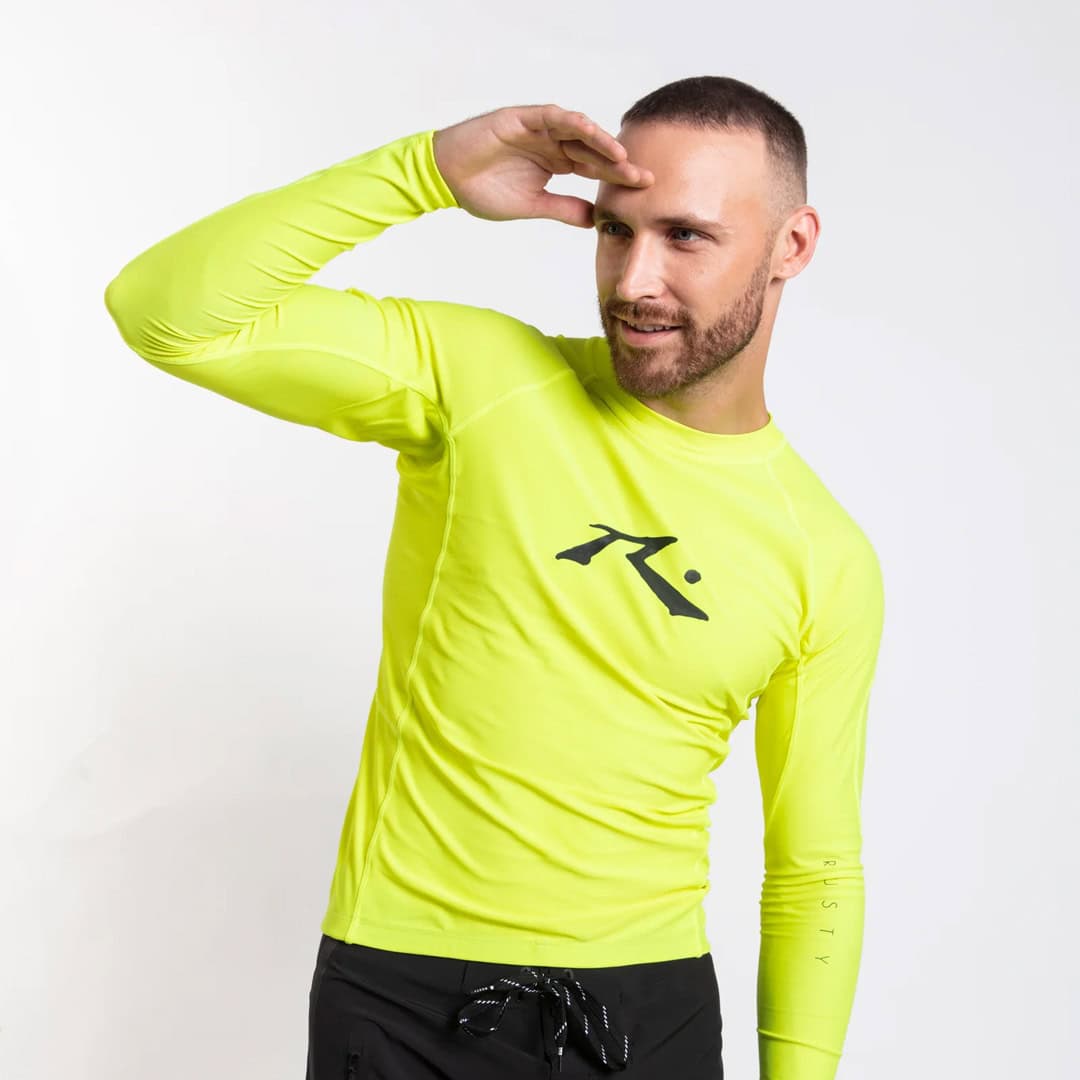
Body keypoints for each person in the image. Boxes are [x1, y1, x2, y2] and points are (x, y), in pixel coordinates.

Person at [103, 75, 886, 1080]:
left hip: (651, 1019)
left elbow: (816, 871)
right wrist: (424, 170)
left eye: (686, 236)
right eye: (615, 230)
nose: (635, 279)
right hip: (402, 999)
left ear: (792, 245)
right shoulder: (480, 379)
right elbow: (167, 315)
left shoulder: (822, 552)